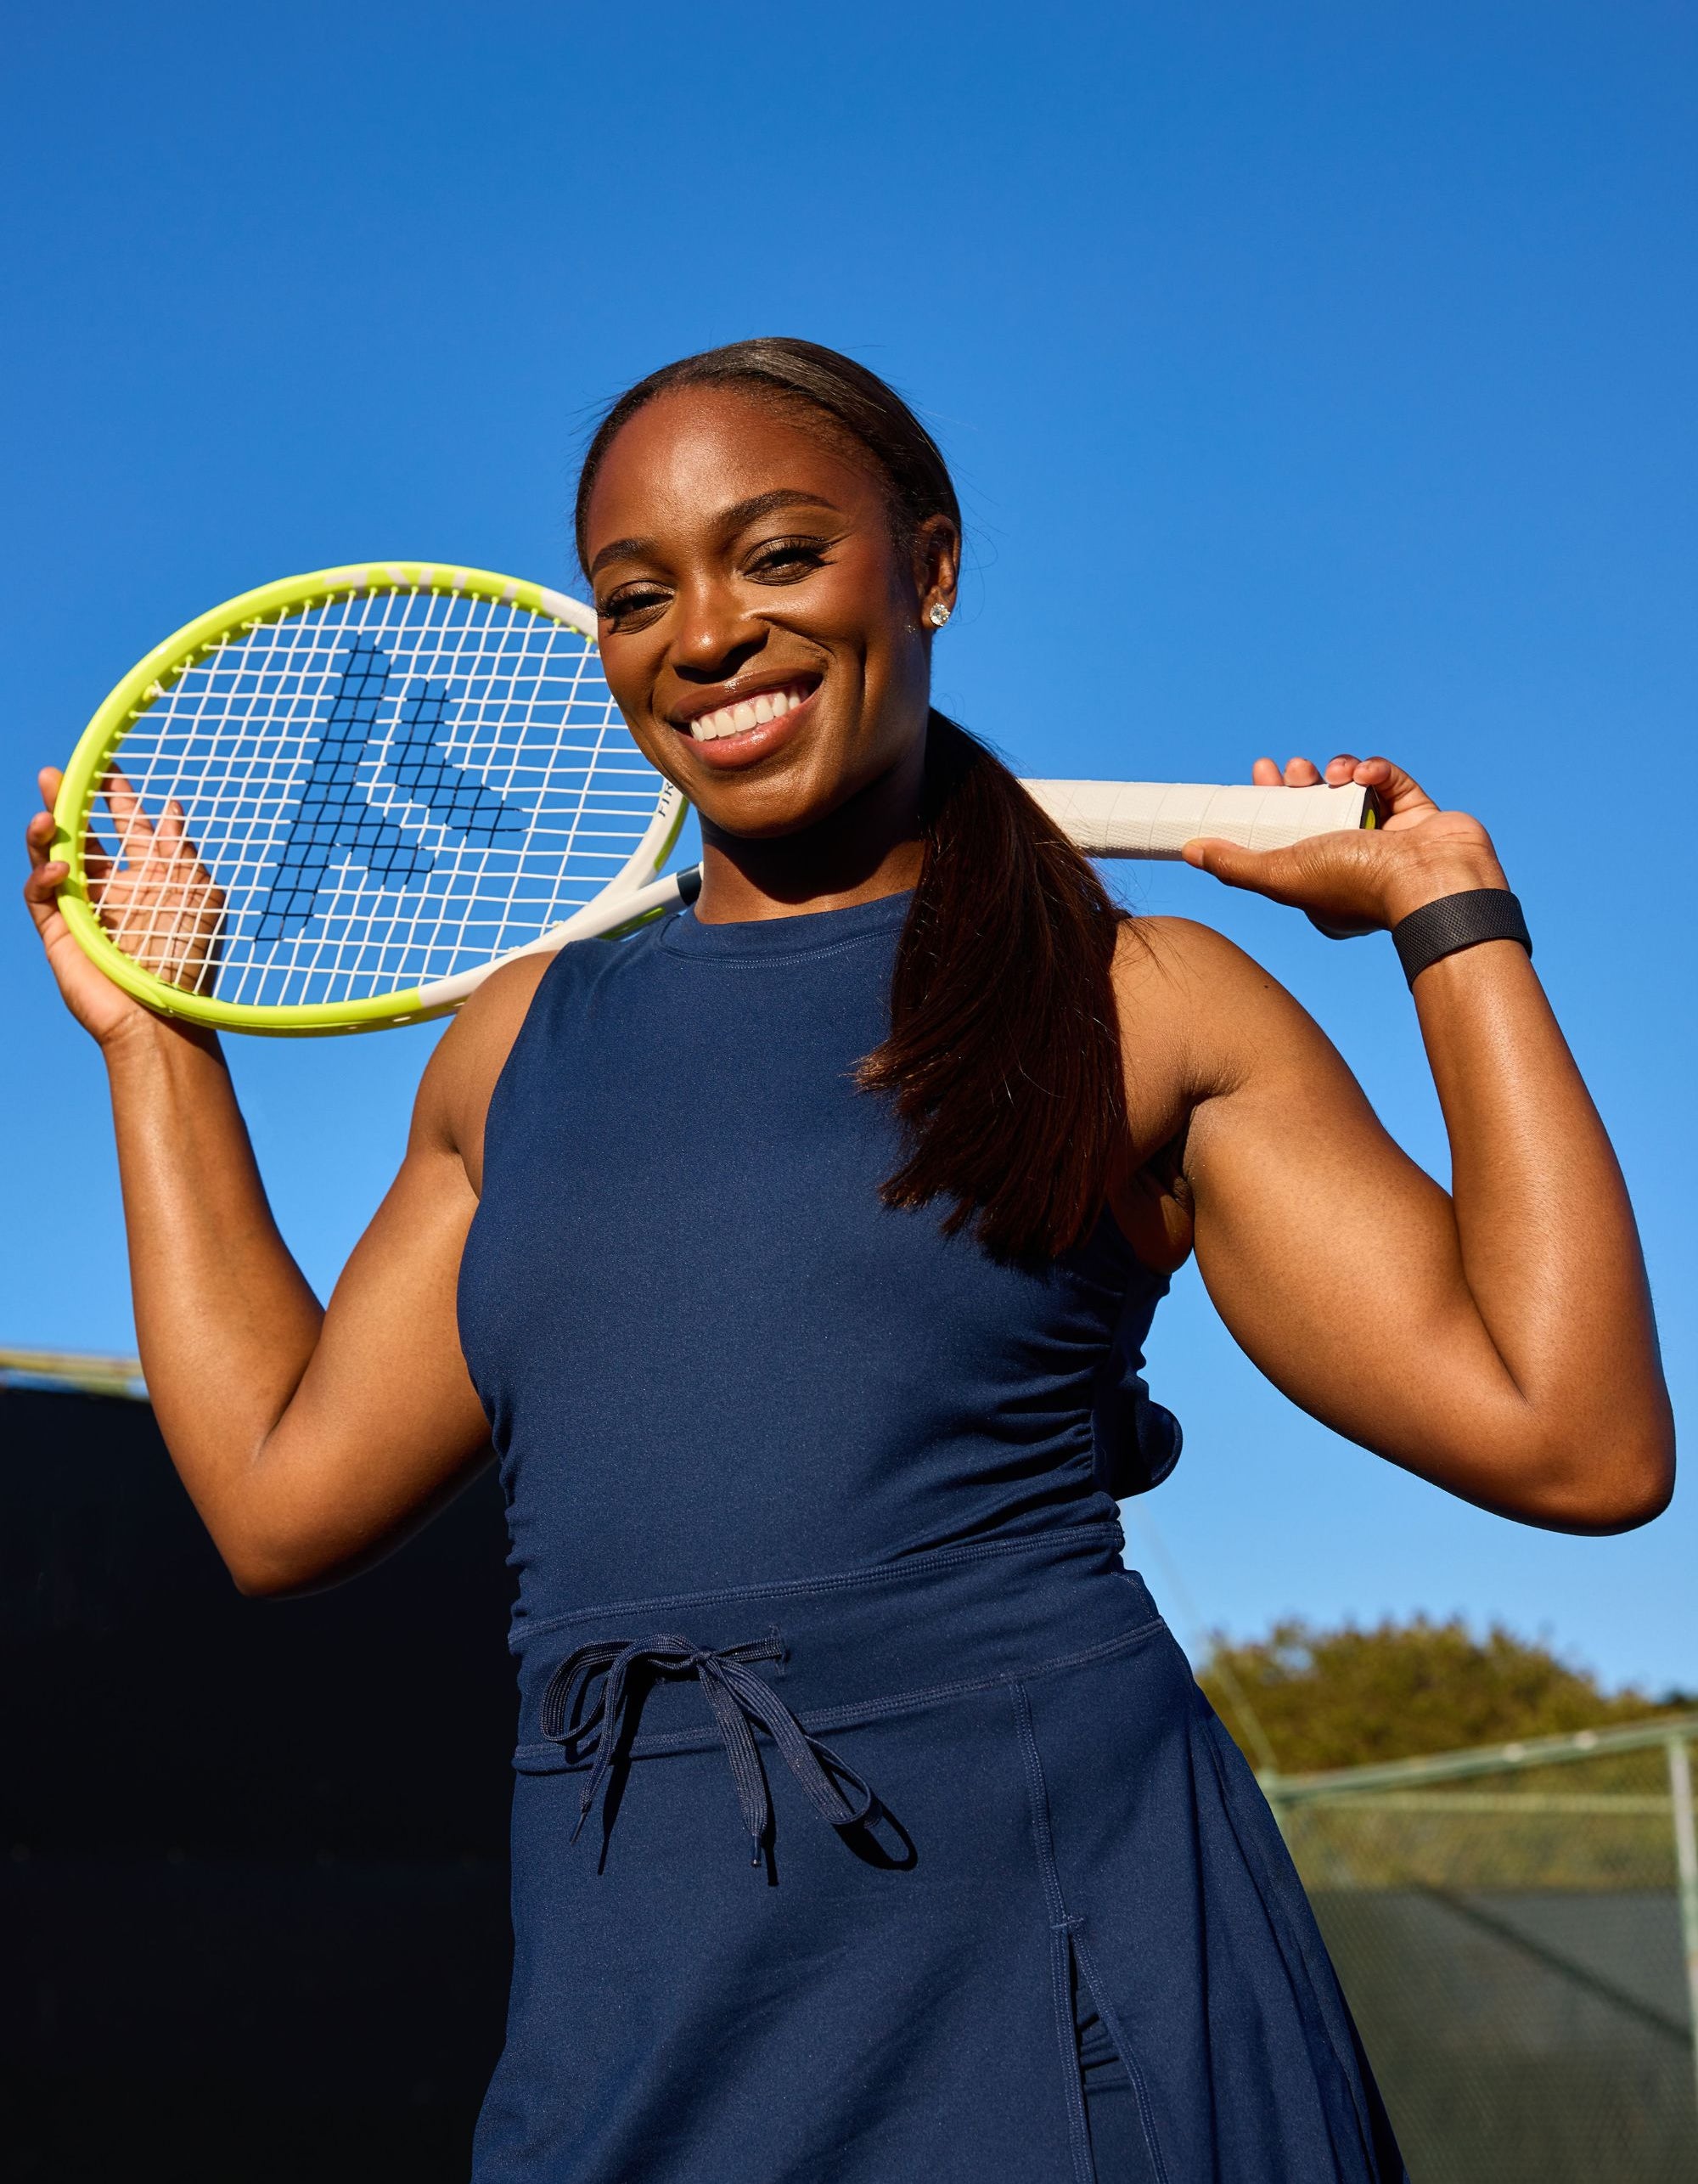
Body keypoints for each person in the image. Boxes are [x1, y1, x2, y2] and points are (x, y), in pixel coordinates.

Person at [23, 338, 1673, 2183]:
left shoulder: (1147, 1002)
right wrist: (157, 1043)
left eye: (781, 556)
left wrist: (1456, 922)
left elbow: (1576, 1439)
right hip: (633, 2017)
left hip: (1070, 2000)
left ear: (931, 566)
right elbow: (274, 1496)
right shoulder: (514, 1046)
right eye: (636, 595)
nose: (705, 635)